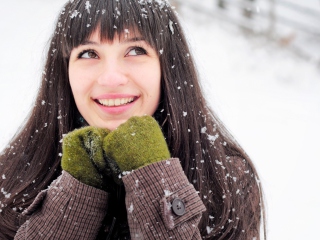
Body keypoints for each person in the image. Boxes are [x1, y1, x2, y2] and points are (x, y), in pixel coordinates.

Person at [0, 0, 265, 239]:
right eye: (89, 53)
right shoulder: (12, 177)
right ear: (63, 72)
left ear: (169, 67)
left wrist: (154, 179)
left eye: (136, 50)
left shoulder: (227, 179)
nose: (111, 78)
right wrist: (75, 195)